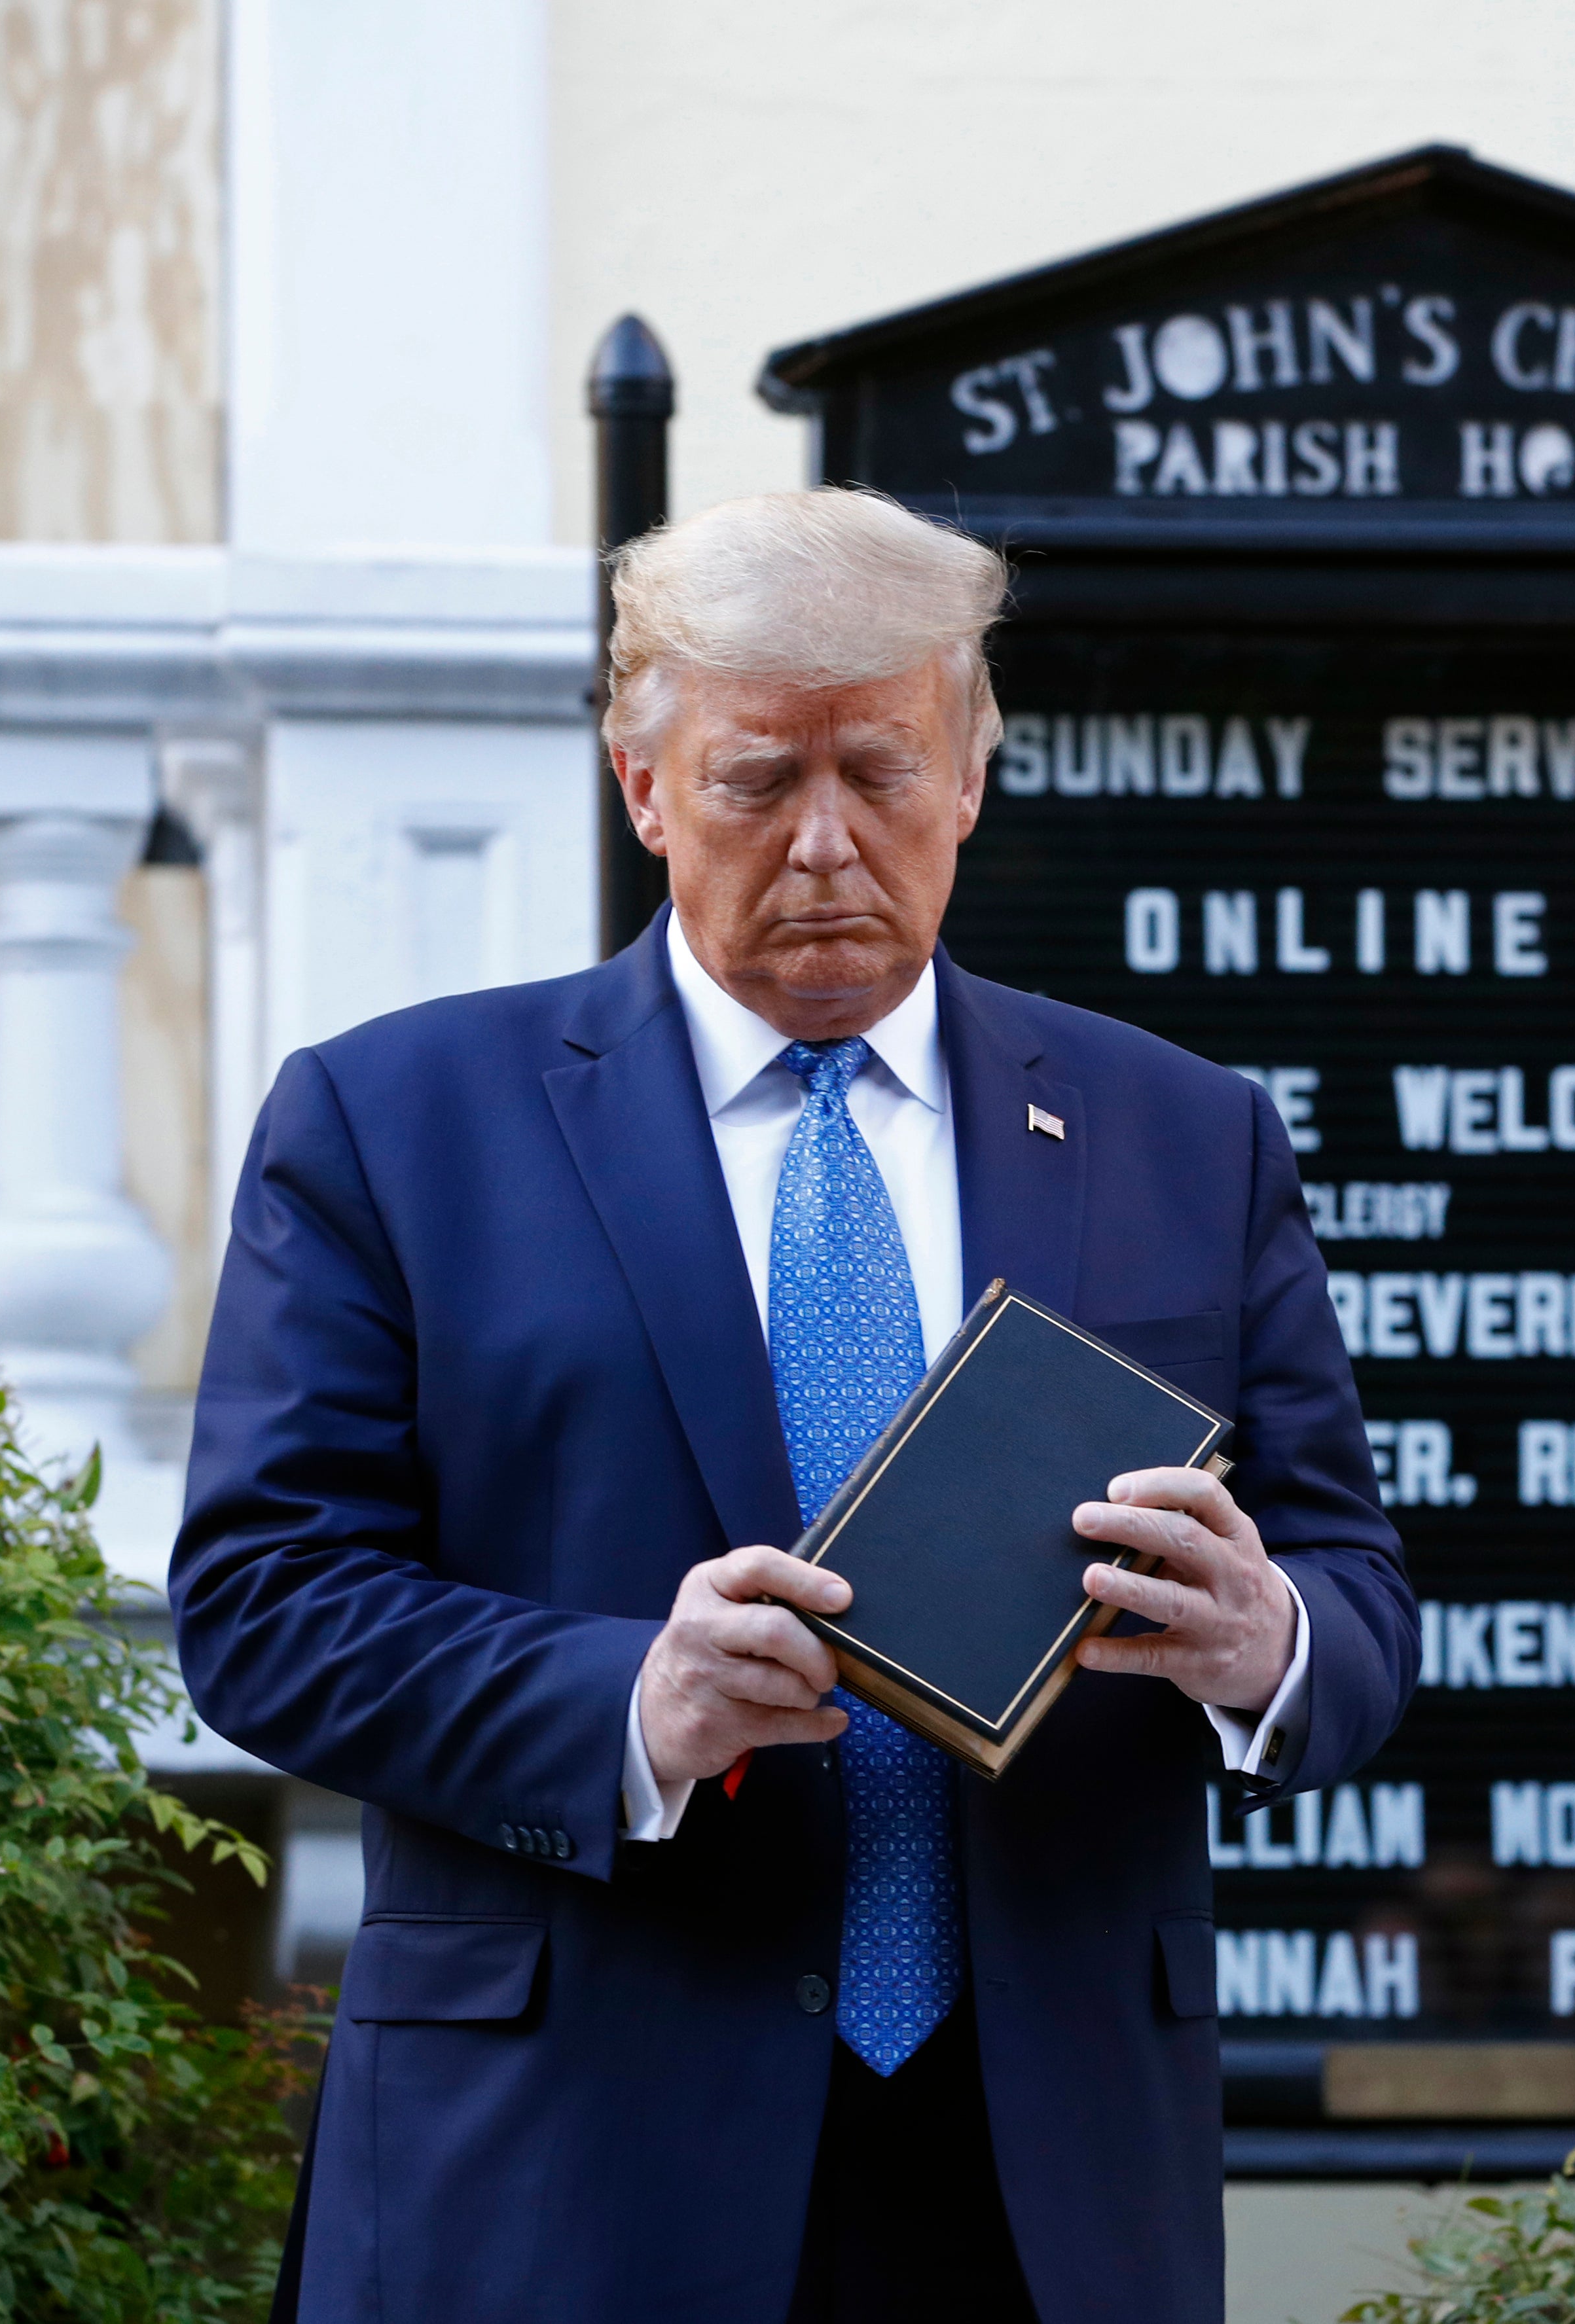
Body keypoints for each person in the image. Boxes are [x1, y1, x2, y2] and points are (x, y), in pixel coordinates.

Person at [172, 487, 1415, 2324]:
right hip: (569, 2162)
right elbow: (263, 1606)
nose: (829, 842)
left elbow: (1359, 1596)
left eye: (882, 772)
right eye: (761, 780)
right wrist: (635, 1704)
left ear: (972, 773)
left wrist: (1268, 1640)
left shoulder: (1184, 1134)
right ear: (647, 785)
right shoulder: (396, 1125)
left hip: (1044, 2182)